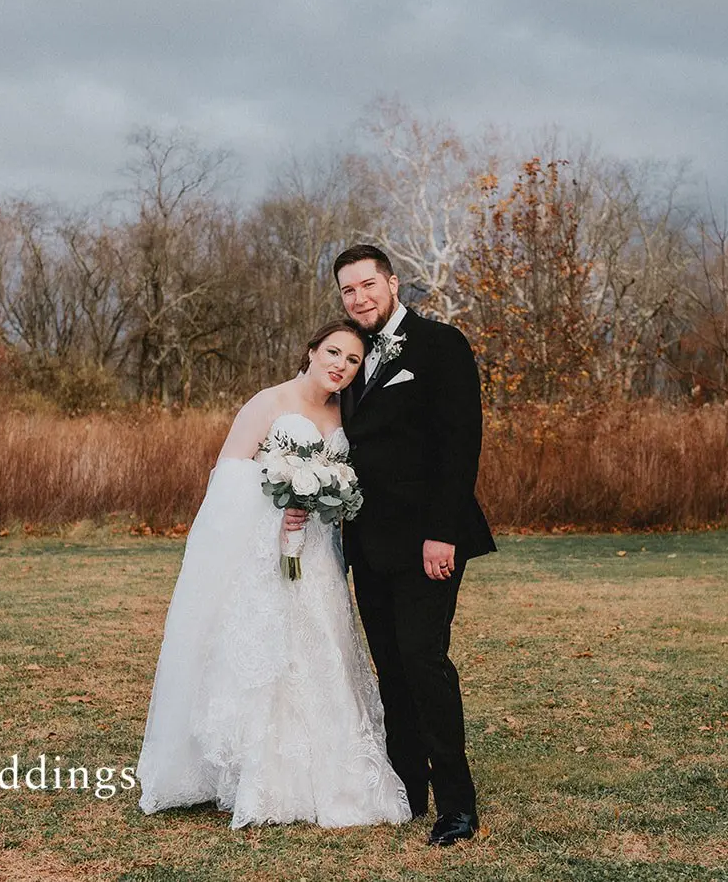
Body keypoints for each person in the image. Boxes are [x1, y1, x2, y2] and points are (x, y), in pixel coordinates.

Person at [135, 319, 412, 828]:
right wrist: (279, 509)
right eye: (333, 353)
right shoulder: (269, 401)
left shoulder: (343, 410)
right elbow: (229, 476)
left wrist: (325, 499)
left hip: (319, 557)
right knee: (266, 654)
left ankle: (324, 772)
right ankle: (253, 771)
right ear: (310, 350)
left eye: (352, 361)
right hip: (264, 553)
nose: (340, 367)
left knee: (317, 651)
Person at [286, 244, 497, 847]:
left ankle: (457, 804)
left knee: (423, 659)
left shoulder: (440, 346)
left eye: (367, 286)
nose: (358, 299)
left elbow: (461, 446)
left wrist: (443, 532)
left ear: (393, 283)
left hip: (430, 539)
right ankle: (408, 785)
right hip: (367, 541)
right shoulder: (349, 357)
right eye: (347, 291)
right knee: (390, 669)